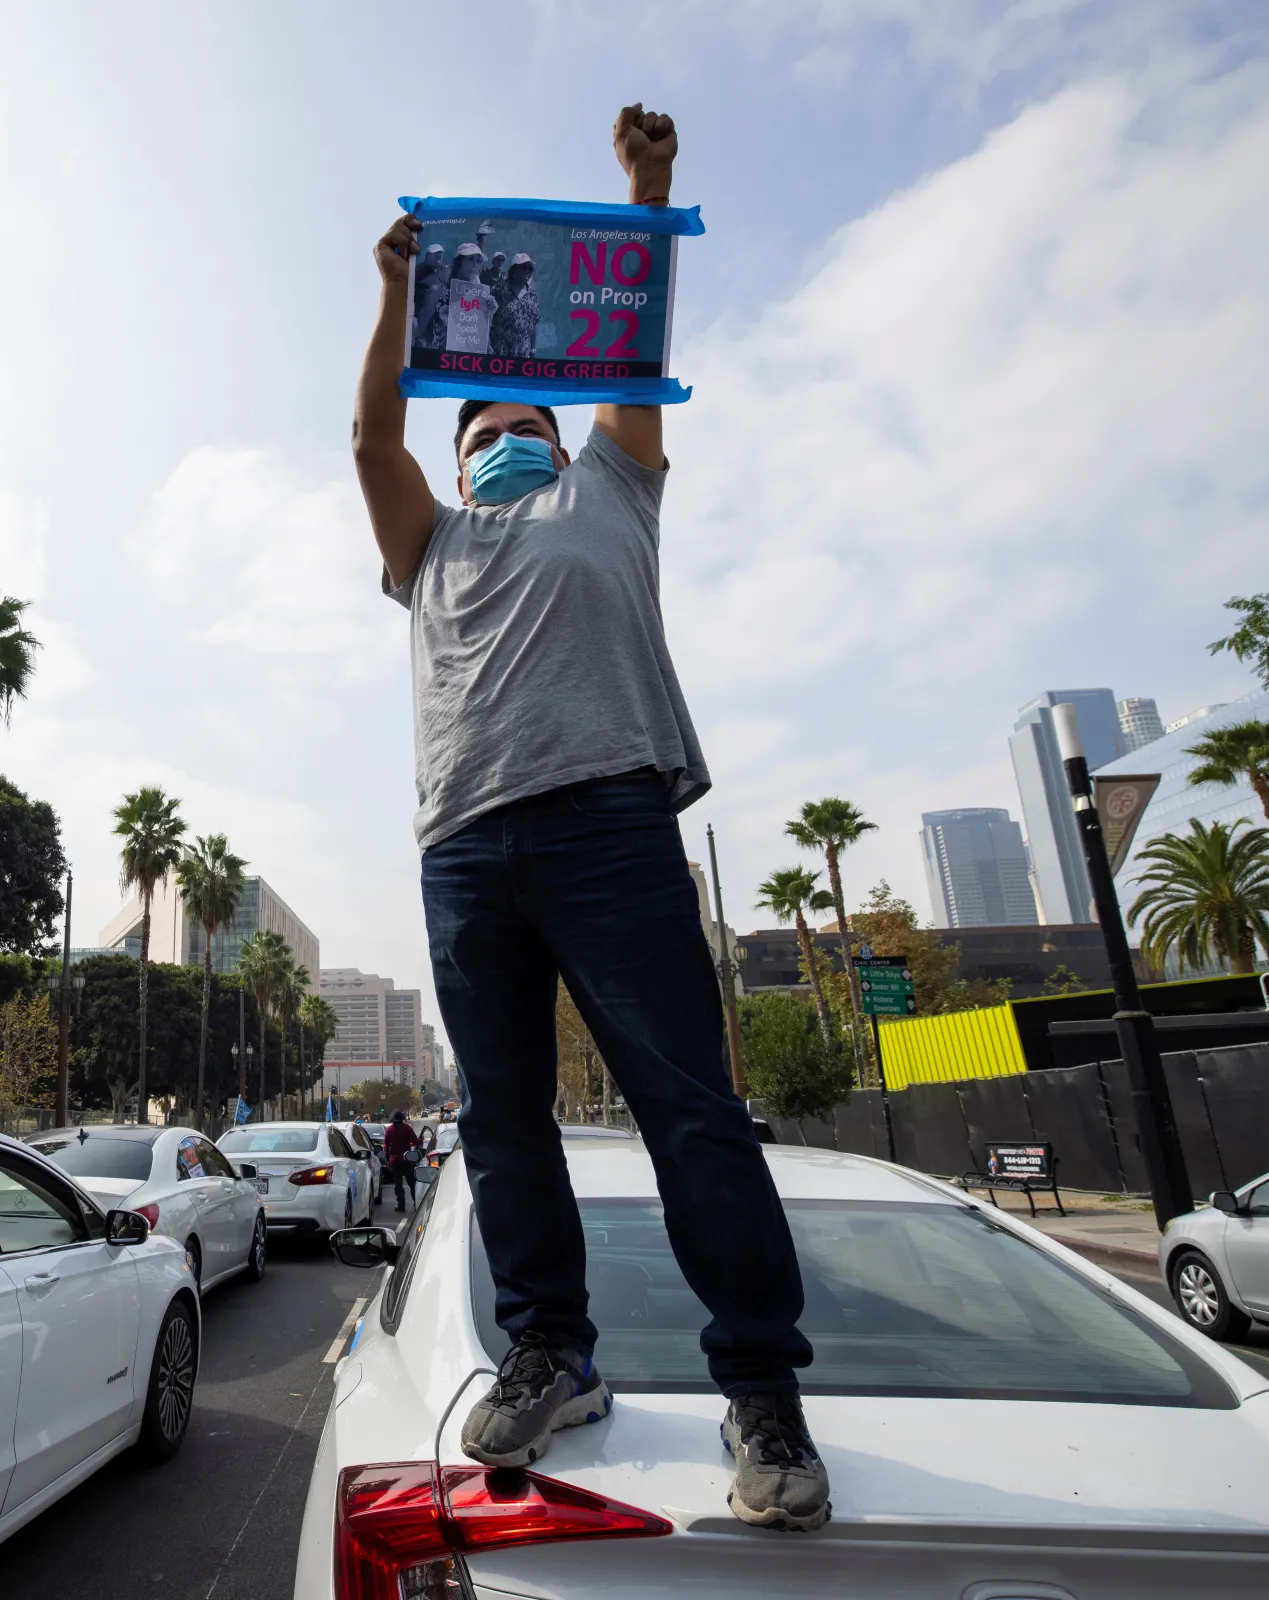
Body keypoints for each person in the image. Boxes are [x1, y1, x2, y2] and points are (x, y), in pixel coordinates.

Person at [349, 104, 827, 1532]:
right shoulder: (425, 543)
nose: (507, 439)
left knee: (691, 1110)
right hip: (466, 851)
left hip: (611, 828)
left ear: (563, 437)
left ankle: (763, 1396)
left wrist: (649, 189)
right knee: (501, 1121)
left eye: (525, 424)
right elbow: (368, 427)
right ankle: (553, 1351)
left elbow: (629, 351)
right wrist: (391, 298)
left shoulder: (614, 488)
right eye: (485, 427)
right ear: (460, 451)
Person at [381, 1109, 424, 1211]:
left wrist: (388, 1159)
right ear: (402, 1119)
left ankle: (401, 1205)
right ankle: (416, 1203)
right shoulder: (407, 1129)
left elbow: (386, 1146)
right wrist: (421, 1140)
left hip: (394, 1160)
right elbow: (415, 1141)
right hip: (407, 1159)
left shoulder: (389, 1130)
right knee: (412, 1183)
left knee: (398, 1184)